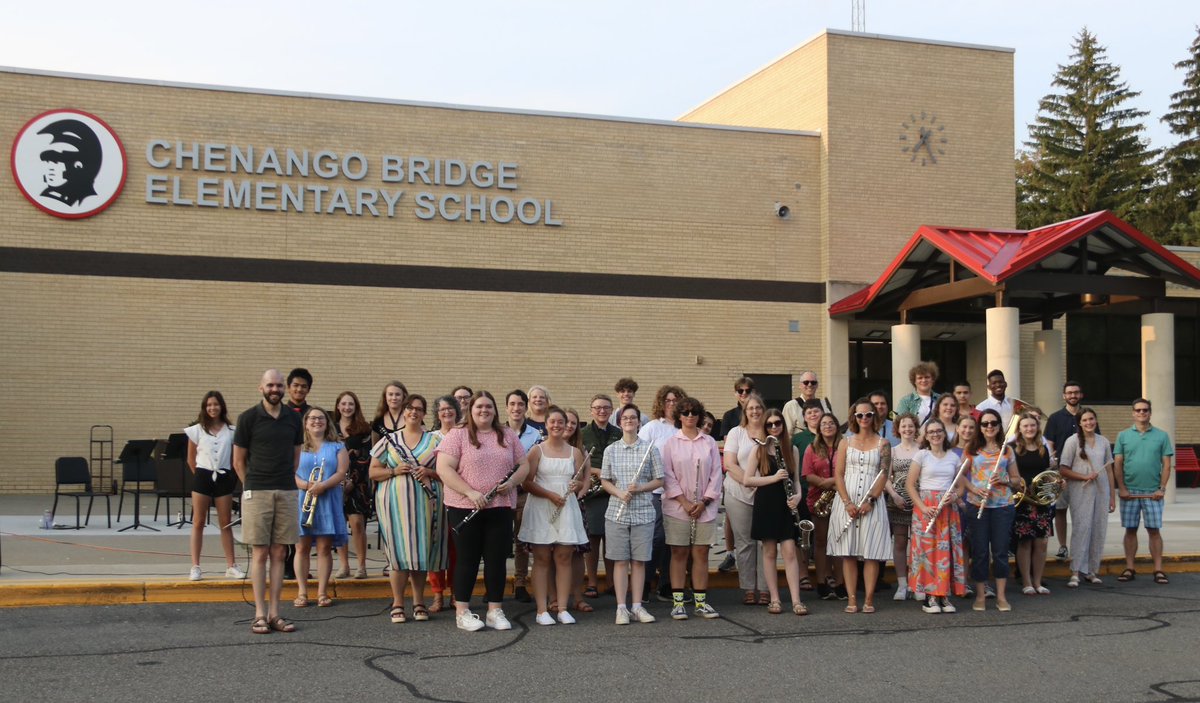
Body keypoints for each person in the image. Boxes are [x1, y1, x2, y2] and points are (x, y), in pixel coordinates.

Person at [436, 391, 530, 632]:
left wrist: (512, 482)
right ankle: (462, 612)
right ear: (471, 409)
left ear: (495, 410)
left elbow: (523, 465)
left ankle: (494, 611)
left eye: (488, 406)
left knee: (496, 560)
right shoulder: (458, 434)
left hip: (499, 506)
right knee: (467, 559)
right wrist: (470, 492)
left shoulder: (506, 434)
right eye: (479, 406)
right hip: (465, 506)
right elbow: (444, 469)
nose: (484, 410)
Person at [233, 369, 303, 635]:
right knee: (260, 553)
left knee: (280, 553)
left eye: (279, 385)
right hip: (257, 491)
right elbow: (238, 461)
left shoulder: (293, 419)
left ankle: (275, 613)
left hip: (286, 491)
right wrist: (250, 487)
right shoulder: (248, 418)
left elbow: (295, 457)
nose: (275, 389)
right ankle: (259, 614)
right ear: (260, 387)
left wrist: (284, 480)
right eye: (270, 385)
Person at [371, 394, 445, 623]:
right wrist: (393, 471)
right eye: (410, 408)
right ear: (403, 411)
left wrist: (429, 472)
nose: (414, 412)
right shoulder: (389, 439)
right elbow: (373, 471)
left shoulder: (435, 440)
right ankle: (397, 603)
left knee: (420, 552)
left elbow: (449, 471)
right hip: (394, 505)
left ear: (424, 414)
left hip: (426, 503)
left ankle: (419, 601)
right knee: (398, 553)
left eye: (419, 409)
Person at [519, 406, 589, 625]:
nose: (557, 425)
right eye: (553, 422)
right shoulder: (536, 451)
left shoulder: (575, 452)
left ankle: (563, 608)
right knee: (541, 559)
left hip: (566, 508)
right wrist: (549, 495)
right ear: (546, 424)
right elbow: (526, 482)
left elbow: (580, 481)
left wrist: (577, 485)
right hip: (541, 507)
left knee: (564, 558)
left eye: (561, 422)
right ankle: (542, 611)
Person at [660, 397, 724, 620]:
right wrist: (685, 502)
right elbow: (667, 475)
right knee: (678, 553)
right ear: (679, 416)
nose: (690, 416)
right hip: (677, 507)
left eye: (694, 412)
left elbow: (716, 474)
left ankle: (701, 603)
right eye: (685, 412)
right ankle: (678, 603)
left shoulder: (709, 442)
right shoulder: (670, 443)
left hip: (704, 507)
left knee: (701, 553)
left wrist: (704, 501)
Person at [828, 399, 893, 614]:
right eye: (860, 415)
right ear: (854, 417)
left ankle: (869, 599)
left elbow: (884, 474)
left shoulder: (884, 443)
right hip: (847, 501)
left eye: (868, 414)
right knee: (848, 552)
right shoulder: (845, 442)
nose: (864, 418)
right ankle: (852, 599)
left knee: (871, 551)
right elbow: (838, 474)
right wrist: (847, 502)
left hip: (872, 502)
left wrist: (871, 500)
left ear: (874, 416)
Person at [601, 404, 664, 625]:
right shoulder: (611, 450)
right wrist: (619, 493)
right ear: (619, 422)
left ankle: (637, 607)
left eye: (633, 417)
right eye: (625, 417)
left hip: (643, 512)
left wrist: (640, 488)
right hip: (616, 513)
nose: (629, 420)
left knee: (639, 562)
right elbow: (605, 480)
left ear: (639, 422)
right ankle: (621, 608)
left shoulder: (650, 449)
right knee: (620, 561)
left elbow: (660, 479)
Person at [745, 408, 809, 616]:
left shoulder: (792, 449)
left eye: (777, 423)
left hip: (786, 504)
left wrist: (798, 497)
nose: (774, 427)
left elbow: (796, 481)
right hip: (766, 503)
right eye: (769, 424)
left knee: (790, 551)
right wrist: (773, 478)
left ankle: (796, 600)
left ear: (783, 425)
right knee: (769, 552)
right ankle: (774, 599)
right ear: (765, 427)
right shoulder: (759, 450)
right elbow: (747, 480)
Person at [905, 418, 967, 613]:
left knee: (946, 551)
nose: (935, 434)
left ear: (944, 433)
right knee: (927, 552)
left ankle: (944, 595)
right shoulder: (921, 455)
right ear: (926, 435)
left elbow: (961, 486)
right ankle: (930, 597)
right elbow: (909, 485)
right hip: (926, 508)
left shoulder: (953, 457)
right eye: (931, 432)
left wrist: (955, 496)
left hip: (947, 509)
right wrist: (923, 507)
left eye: (938, 431)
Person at [962, 408, 1020, 612]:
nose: (989, 427)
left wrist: (1004, 479)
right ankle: (980, 596)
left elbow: (1017, 480)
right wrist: (973, 489)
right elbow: (960, 475)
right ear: (980, 427)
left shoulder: (1007, 450)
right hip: (977, 505)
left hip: (1002, 506)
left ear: (999, 426)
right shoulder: (971, 448)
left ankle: (1001, 596)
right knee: (979, 552)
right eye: (985, 423)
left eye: (993, 423)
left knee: (1001, 551)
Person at [183, 391, 243, 581]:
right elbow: (191, 458)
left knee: (225, 522)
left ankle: (231, 565)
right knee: (198, 521)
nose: (212, 408)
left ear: (221, 406)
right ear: (204, 407)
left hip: (224, 476)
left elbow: (235, 457)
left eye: (216, 404)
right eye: (209, 405)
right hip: (203, 475)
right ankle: (195, 566)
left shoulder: (231, 431)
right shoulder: (196, 430)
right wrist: (201, 476)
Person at [1113, 398, 1174, 586]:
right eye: (1138, 410)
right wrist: (1122, 488)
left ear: (1150, 413)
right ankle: (1130, 568)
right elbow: (1118, 464)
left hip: (1153, 493)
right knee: (1130, 529)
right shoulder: (1123, 436)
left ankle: (1158, 569)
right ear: (1133, 413)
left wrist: (1161, 489)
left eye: (1145, 410)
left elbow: (1167, 465)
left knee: (1154, 530)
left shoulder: (1162, 436)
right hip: (1129, 492)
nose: (1141, 413)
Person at [293, 407, 349, 609]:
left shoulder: (338, 446)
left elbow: (341, 472)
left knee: (325, 548)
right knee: (302, 548)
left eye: (321, 418)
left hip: (328, 499)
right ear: (306, 423)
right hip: (303, 499)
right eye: (312, 418)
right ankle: (302, 592)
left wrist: (323, 485)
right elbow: (289, 471)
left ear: (327, 422)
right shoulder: (297, 446)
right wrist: (305, 484)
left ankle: (322, 592)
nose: (317, 421)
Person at [1057, 408, 1114, 588]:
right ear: (1080, 423)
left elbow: (1109, 470)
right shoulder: (1072, 441)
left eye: (1091, 419)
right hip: (1080, 490)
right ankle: (1075, 571)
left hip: (1102, 490)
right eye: (1085, 420)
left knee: (1098, 528)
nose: (1089, 423)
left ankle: (1092, 571)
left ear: (1096, 420)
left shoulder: (1104, 441)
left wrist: (1112, 496)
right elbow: (1063, 469)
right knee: (1082, 528)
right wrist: (1084, 477)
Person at [723, 392, 771, 606]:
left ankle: (765, 588)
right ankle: (749, 587)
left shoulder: (771, 431)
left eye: (758, 407)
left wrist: (761, 484)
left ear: (763, 409)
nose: (755, 411)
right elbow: (729, 464)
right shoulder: (736, 432)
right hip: (738, 492)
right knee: (744, 542)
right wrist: (749, 481)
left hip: (766, 493)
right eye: (750, 408)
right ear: (745, 411)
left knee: (765, 542)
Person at [638, 384, 685, 602]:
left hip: (680, 493)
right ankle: (645, 582)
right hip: (656, 491)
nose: (671, 404)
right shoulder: (652, 428)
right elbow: (640, 456)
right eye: (668, 400)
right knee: (656, 538)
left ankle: (666, 584)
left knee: (673, 540)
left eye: (676, 400)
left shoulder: (685, 428)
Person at [581, 394, 622, 597]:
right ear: (591, 411)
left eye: (606, 407)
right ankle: (592, 582)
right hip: (593, 493)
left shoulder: (619, 432)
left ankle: (612, 582)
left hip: (614, 492)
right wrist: (598, 472)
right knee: (593, 539)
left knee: (611, 539)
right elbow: (580, 462)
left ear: (612, 410)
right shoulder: (583, 434)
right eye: (597, 407)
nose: (602, 411)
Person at [1010, 412, 1055, 596]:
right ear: (1019, 429)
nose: (1029, 429)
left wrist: (1056, 482)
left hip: (1041, 500)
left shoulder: (1043, 448)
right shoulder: (1012, 448)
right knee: (1025, 542)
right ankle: (1026, 582)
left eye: (1032, 425)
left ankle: (1038, 582)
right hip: (1022, 500)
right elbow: (1009, 474)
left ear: (1037, 427)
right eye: (1025, 426)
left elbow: (1047, 472)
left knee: (1041, 543)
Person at [802, 412, 844, 601]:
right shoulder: (811, 448)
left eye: (831, 423)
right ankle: (821, 582)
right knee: (820, 541)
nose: (827, 426)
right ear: (819, 428)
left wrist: (833, 483)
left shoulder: (844, 446)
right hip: (819, 499)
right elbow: (807, 474)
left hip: (841, 498)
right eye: (824, 423)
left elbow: (850, 470)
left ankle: (840, 583)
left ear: (837, 426)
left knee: (840, 541)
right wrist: (826, 483)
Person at [505, 389, 542, 603]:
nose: (516, 408)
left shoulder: (535, 435)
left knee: (521, 541)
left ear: (526, 407)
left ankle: (520, 583)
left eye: (520, 404)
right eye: (512, 404)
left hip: (523, 493)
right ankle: (495, 582)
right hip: (501, 494)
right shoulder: (497, 432)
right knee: (499, 541)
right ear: (506, 407)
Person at [1045, 381, 1087, 561]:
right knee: (1060, 510)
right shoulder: (1055, 418)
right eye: (1069, 393)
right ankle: (1063, 546)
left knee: (1080, 513)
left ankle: (1080, 546)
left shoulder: (1087, 416)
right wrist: (1052, 463)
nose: (1073, 395)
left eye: (1076, 392)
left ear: (1081, 395)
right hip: (1060, 473)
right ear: (1064, 396)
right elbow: (1049, 443)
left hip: (1082, 473)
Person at [427, 395, 461, 612]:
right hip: (435, 498)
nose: (446, 412)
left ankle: (456, 592)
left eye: (450, 408)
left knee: (457, 547)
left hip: (459, 497)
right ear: (437, 414)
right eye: (442, 409)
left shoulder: (464, 435)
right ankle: (437, 594)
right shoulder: (429, 438)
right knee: (436, 546)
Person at [333, 391, 372, 580]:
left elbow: (366, 458)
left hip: (358, 484)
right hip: (334, 482)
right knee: (339, 524)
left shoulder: (364, 429)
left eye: (351, 404)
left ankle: (361, 566)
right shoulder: (331, 429)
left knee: (357, 523)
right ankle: (344, 565)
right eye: (343, 404)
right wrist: (338, 480)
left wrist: (351, 481)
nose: (347, 407)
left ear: (356, 407)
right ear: (338, 406)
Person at [884, 413, 919, 600]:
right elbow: (885, 477)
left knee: (918, 544)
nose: (907, 429)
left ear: (916, 428)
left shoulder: (923, 450)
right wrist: (894, 495)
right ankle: (902, 584)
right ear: (898, 429)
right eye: (904, 426)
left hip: (919, 503)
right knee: (899, 542)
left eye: (911, 426)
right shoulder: (893, 451)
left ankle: (917, 583)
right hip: (898, 503)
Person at [783, 370, 833, 436]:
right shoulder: (791, 406)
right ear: (800, 385)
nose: (810, 385)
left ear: (817, 385)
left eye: (813, 382)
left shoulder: (824, 404)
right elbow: (786, 433)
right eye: (806, 382)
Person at [720, 376, 755, 440]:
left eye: (748, 390)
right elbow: (727, 440)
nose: (744, 393)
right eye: (740, 391)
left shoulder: (759, 413)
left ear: (753, 392)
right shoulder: (728, 415)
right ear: (735, 393)